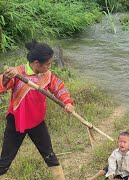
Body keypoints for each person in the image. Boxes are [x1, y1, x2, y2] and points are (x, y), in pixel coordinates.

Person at [0, 40, 74, 179]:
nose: (50, 66)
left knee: (49, 155)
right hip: (16, 122)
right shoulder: (18, 73)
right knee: (5, 160)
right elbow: (1, 87)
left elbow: (59, 88)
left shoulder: (47, 75)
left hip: (37, 123)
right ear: (36, 63)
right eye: (47, 64)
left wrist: (67, 102)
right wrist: (5, 77)